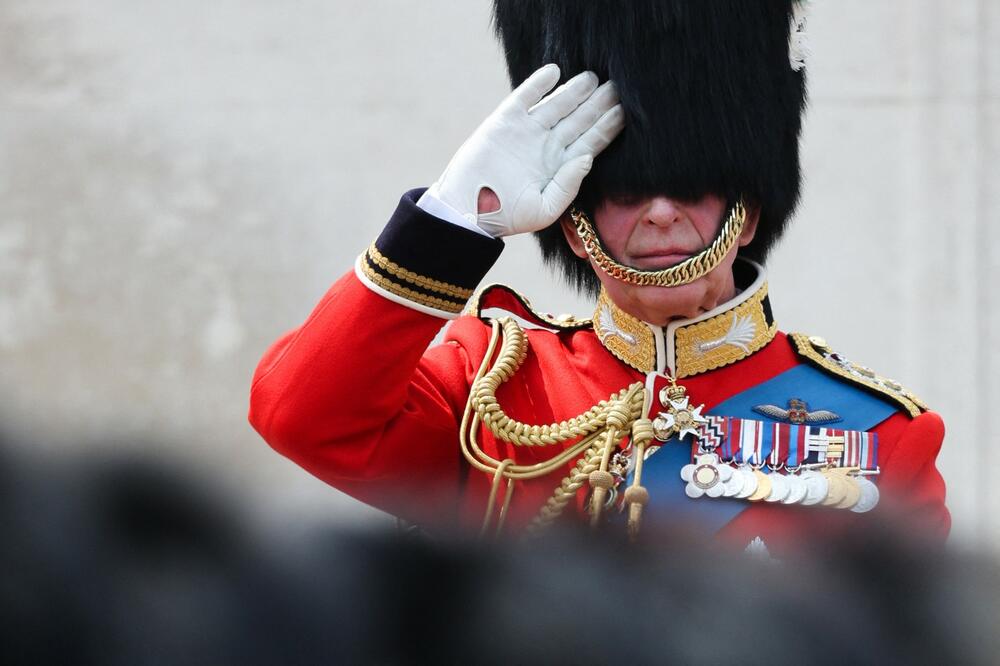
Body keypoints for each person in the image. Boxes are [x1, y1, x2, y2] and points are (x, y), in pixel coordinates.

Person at [248, 1, 949, 551]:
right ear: (572, 226)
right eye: (624, 191)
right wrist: (452, 222)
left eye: (694, 186)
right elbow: (303, 417)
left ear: (749, 213)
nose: (661, 214)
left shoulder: (880, 434)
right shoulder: (492, 386)